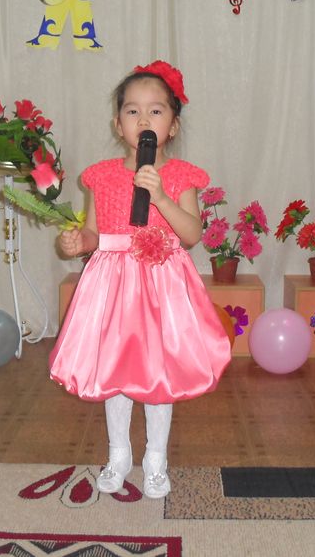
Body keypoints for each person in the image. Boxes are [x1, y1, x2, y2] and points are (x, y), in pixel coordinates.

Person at [49, 59, 231, 499]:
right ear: (118, 124)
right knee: (116, 369)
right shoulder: (101, 175)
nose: (143, 119)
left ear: (172, 125)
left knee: (156, 373)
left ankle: (155, 459)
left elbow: (191, 235)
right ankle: (118, 454)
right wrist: (76, 242)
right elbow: (95, 234)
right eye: (132, 111)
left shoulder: (181, 176)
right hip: (113, 285)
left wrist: (161, 197)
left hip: (162, 285)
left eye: (155, 110)